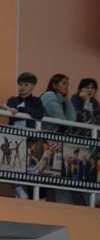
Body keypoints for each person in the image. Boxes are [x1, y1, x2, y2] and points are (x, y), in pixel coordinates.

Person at [6, 72, 44, 200]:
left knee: (29, 168)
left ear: (33, 86)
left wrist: (22, 110)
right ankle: (19, 190)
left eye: (26, 85)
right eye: (20, 84)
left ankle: (28, 196)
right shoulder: (12, 100)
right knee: (9, 166)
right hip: (13, 139)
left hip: (29, 140)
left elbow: (39, 114)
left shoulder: (36, 101)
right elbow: (10, 109)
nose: (22, 87)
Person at [41, 74, 77, 204]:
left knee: (62, 174)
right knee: (45, 173)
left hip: (55, 143)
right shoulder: (49, 96)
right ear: (55, 85)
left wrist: (66, 98)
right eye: (64, 83)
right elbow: (61, 119)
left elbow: (72, 120)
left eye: (68, 84)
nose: (67, 86)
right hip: (43, 141)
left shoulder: (62, 100)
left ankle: (66, 204)